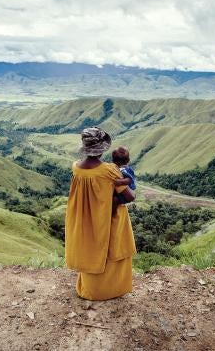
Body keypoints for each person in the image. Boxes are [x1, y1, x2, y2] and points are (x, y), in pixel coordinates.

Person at [65, 127, 137, 301]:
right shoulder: (109, 170)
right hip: (109, 218)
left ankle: (90, 290)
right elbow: (129, 197)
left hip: (86, 219)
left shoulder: (76, 168)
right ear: (102, 148)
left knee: (90, 250)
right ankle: (111, 290)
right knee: (111, 251)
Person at [112, 146, 136, 214]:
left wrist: (120, 182)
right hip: (122, 191)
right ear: (128, 160)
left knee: (115, 200)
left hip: (127, 191)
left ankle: (112, 214)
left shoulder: (126, 169)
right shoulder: (116, 169)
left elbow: (129, 179)